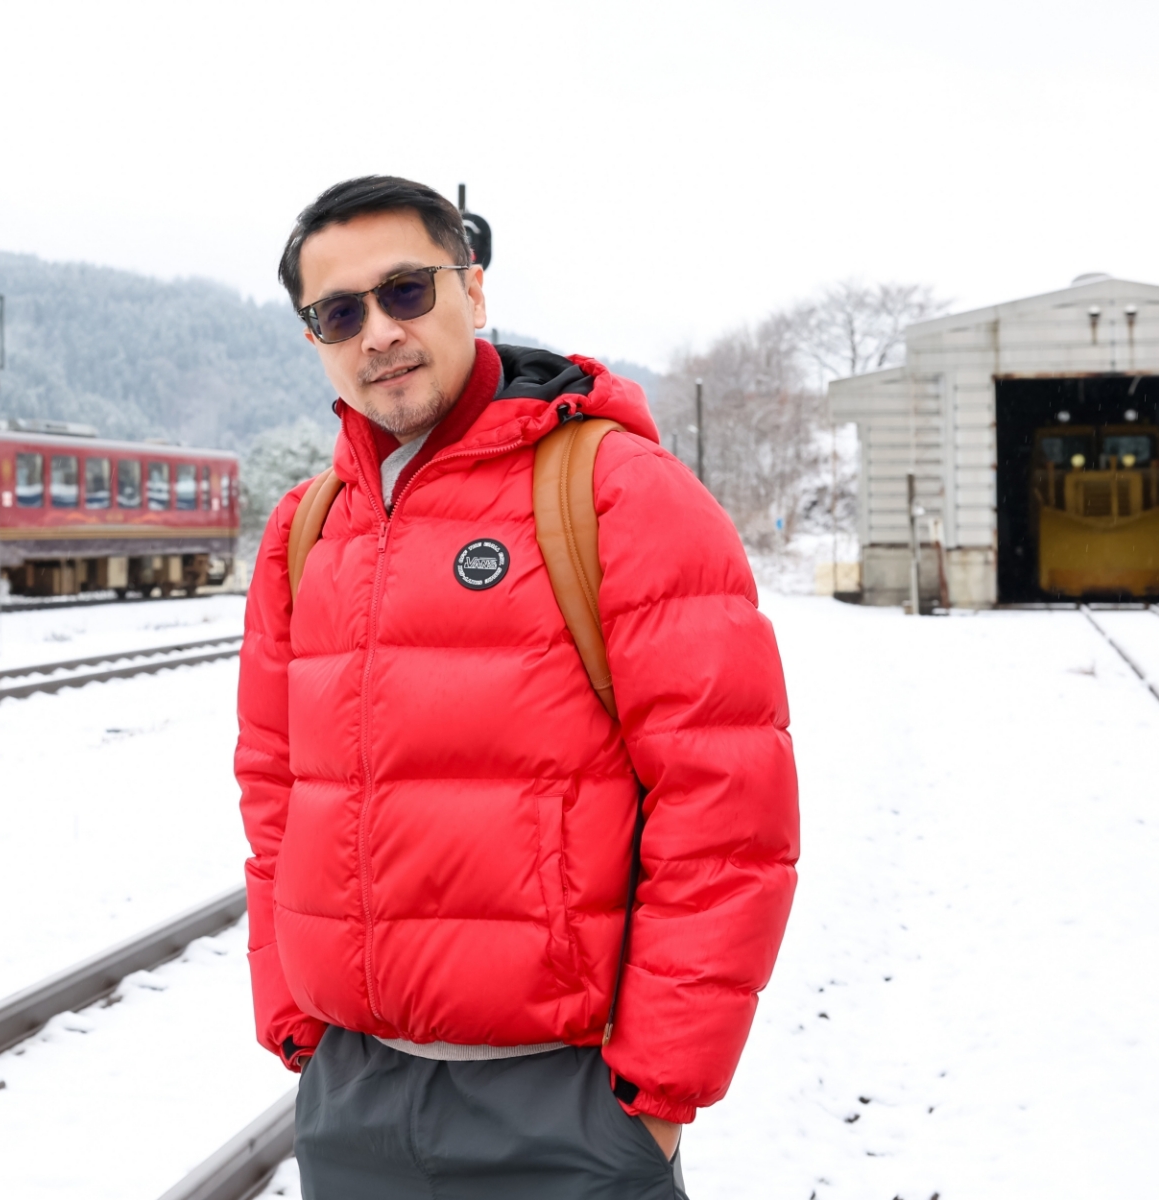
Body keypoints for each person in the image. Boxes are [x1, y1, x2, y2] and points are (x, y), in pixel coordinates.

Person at [234, 176, 799, 1199]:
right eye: (340, 312)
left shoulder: (614, 490)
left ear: (474, 291)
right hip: (354, 1098)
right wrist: (295, 1018)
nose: (378, 333)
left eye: (407, 291)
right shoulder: (305, 531)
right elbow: (275, 793)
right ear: (315, 335)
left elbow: (727, 812)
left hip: (567, 1108)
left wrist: (658, 1094)